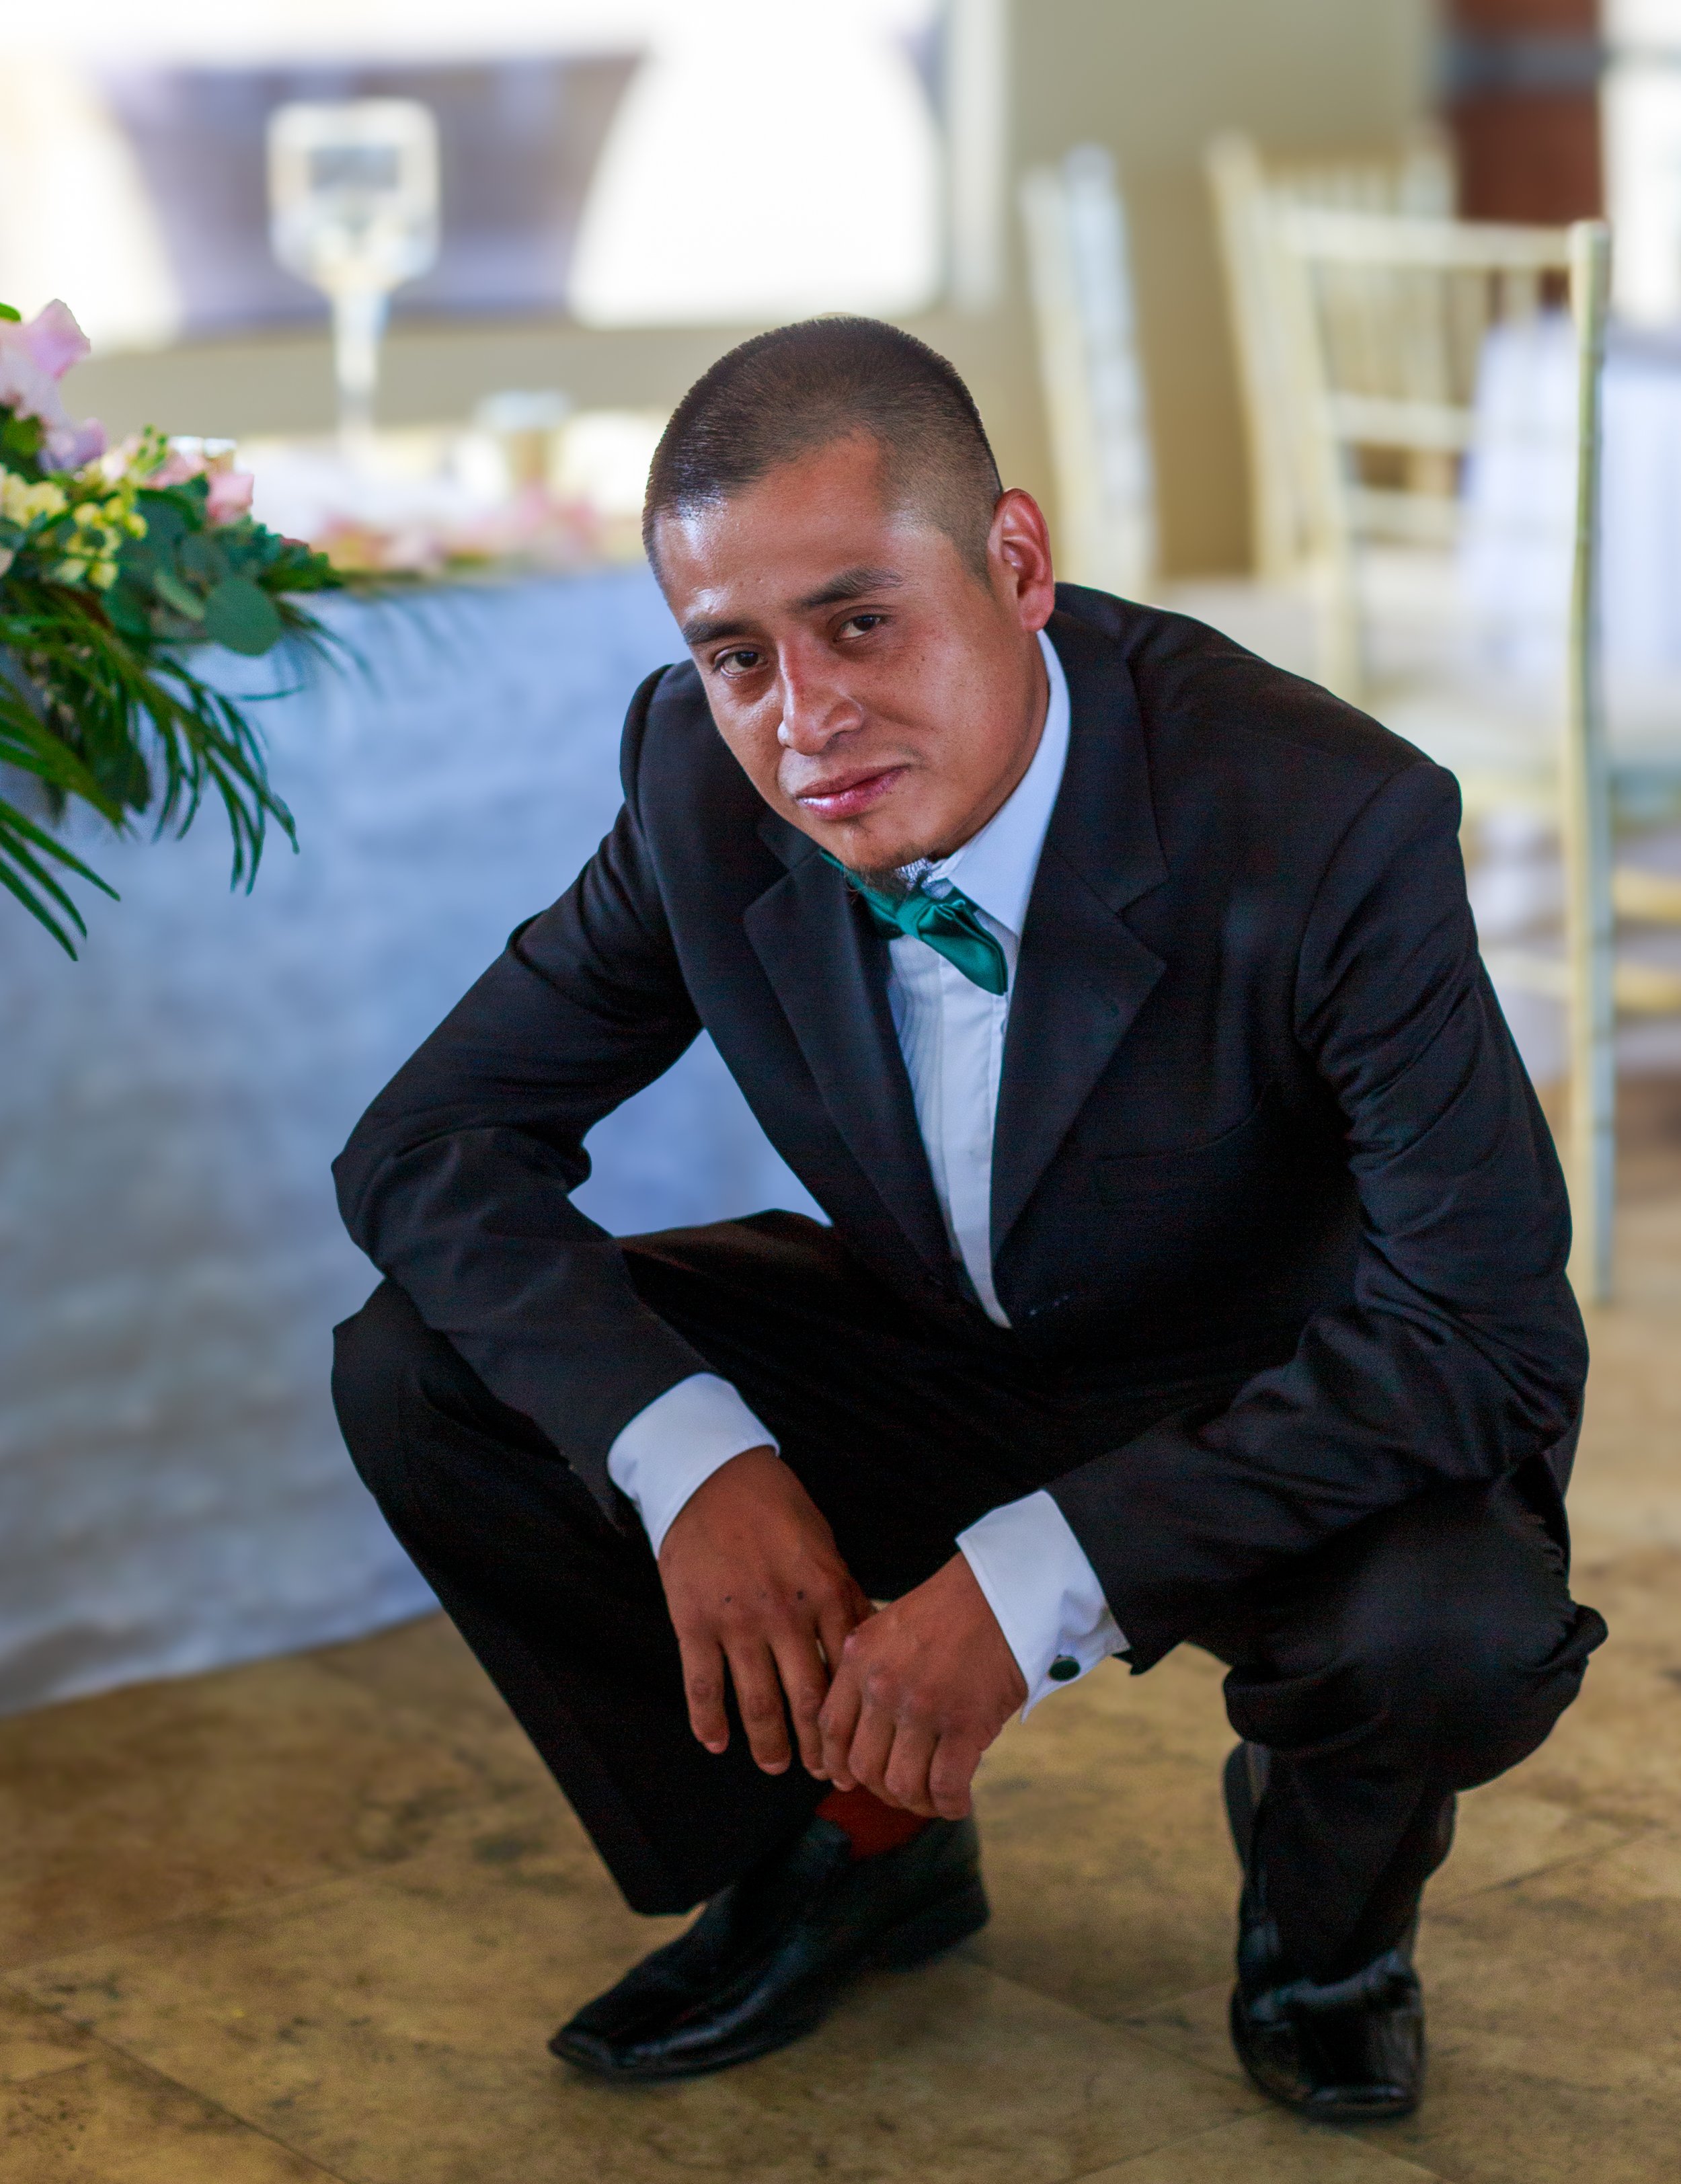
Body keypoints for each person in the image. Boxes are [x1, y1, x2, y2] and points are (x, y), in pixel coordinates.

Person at [331, 317, 1605, 2123]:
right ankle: (850, 1843)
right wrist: (695, 1462)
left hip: (1276, 1399)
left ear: (1014, 560)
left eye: (859, 621)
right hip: (942, 1342)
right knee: (423, 1369)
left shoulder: (1326, 817)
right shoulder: (702, 781)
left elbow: (1483, 1329)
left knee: (1448, 1636)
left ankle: (1329, 1931)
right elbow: (427, 1140)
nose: (804, 720)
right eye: (733, 656)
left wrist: (1026, 1582)